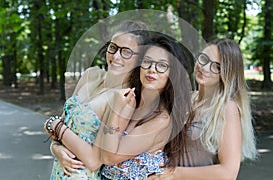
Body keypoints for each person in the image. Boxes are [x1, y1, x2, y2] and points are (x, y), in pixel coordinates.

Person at [44, 33, 192, 179]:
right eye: (147, 61)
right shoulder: (130, 100)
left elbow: (107, 157)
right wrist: (56, 148)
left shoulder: (161, 119)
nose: (152, 69)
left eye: (161, 65)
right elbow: (88, 141)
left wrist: (115, 112)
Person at [46, 20, 150, 179]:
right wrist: (55, 149)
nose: (116, 56)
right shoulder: (91, 74)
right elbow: (61, 128)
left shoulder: (125, 99)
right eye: (113, 47)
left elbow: (94, 161)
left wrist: (53, 124)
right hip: (59, 172)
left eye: (126, 52)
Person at [150, 38, 258, 179]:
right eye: (204, 59)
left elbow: (228, 173)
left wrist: (173, 173)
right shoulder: (186, 99)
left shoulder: (227, 109)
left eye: (216, 67)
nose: (205, 68)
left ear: (227, 73)